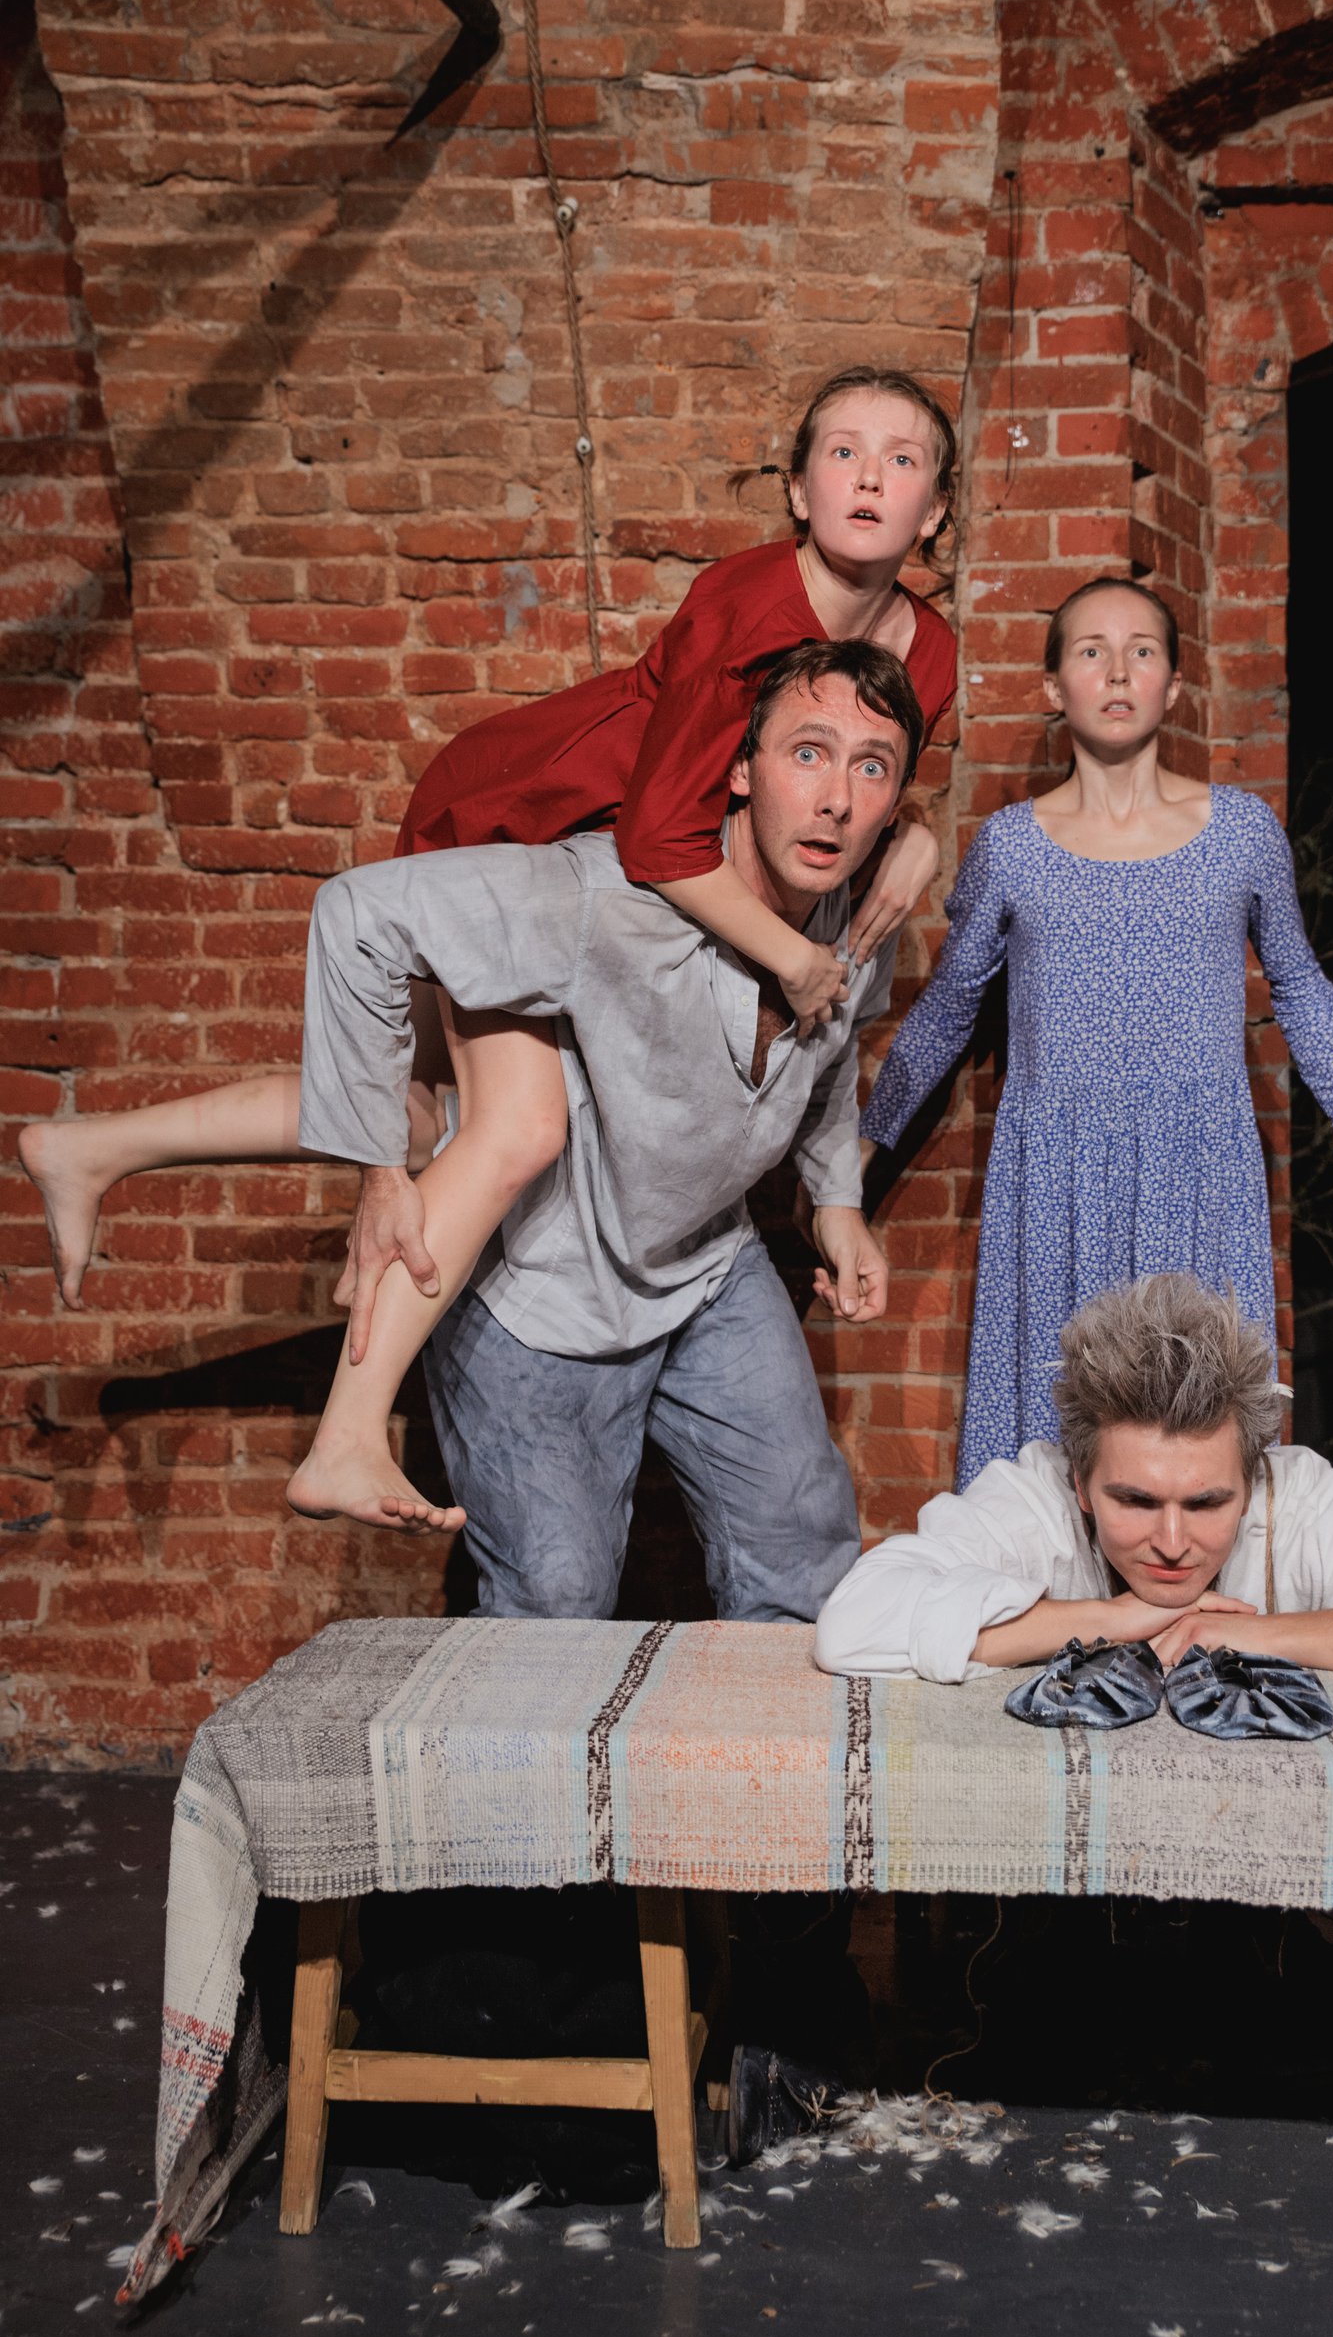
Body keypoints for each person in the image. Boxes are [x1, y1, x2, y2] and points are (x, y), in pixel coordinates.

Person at [19, 366, 959, 1534]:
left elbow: (876, 775)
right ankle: (345, 1440)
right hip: (528, 821)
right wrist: (798, 962)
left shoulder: (928, 649)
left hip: (622, 857)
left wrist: (920, 833)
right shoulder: (743, 603)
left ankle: (94, 1145)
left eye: (901, 460)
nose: (869, 476)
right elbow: (659, 840)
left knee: (425, 1115)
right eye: (842, 452)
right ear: (795, 490)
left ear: (933, 510)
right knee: (515, 1129)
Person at [297, 639, 920, 1621]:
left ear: (895, 803)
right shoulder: (603, 899)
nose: (837, 798)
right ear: (739, 769)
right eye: (808, 753)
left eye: (870, 766)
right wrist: (380, 1169)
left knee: (805, 1563)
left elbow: (835, 1058)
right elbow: (357, 916)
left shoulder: (862, 917)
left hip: (707, 1266)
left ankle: (776, 1737)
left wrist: (836, 1201)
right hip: (545, 1288)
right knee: (556, 1602)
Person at [859, 575, 1333, 1489]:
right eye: (1092, 651)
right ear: (1054, 686)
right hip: (1058, 1180)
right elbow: (951, 1006)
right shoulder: (1011, 846)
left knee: (1196, 1444)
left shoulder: (1241, 833)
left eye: (1142, 651)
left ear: (1174, 686)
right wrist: (861, 1148)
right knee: (1051, 1453)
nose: (1118, 671)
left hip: (1197, 1170)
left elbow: (1298, 980)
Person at [814, 1272, 1333, 1686]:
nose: (1172, 1542)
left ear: (1253, 1481)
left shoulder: (1306, 1500)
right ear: (1080, 1482)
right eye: (1134, 1499)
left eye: (1208, 1502)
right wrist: (1112, 1619)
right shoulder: (1032, 1496)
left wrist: (1250, 1634)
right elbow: (853, 1625)